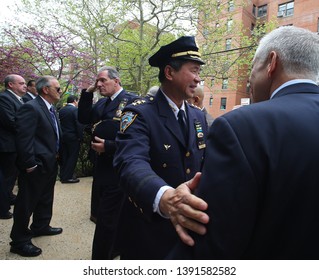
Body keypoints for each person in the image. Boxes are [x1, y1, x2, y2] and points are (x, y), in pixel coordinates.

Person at [167, 26, 319, 259]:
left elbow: (211, 249)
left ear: (272, 62)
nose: (249, 79)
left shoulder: (240, 126)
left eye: (253, 67)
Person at [113, 36, 208, 259]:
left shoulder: (197, 116)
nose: (198, 79)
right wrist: (165, 197)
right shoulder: (139, 113)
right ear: (169, 72)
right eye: (193, 71)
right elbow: (130, 162)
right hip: (149, 228)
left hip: (188, 225)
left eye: (199, 73)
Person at [78, 66, 138, 260]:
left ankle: (101, 259)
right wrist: (87, 94)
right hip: (101, 167)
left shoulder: (132, 101)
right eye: (97, 81)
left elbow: (137, 138)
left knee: (107, 219)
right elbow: (84, 118)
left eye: (103, 80)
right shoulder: (102, 103)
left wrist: (110, 146)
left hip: (118, 168)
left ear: (116, 81)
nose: (99, 84)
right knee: (106, 215)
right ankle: (115, 249)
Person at [10, 75, 63, 257]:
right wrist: (30, 164)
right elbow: (23, 139)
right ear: (45, 89)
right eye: (58, 88)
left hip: (50, 163)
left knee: (45, 198)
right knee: (26, 203)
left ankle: (41, 226)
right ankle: (19, 240)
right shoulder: (30, 108)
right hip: (36, 166)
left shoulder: (51, 109)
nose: (61, 91)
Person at [0, 74, 27, 219]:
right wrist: (29, 130)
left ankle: (8, 198)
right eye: (21, 83)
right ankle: (2, 209)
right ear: (11, 85)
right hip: (8, 146)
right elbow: (10, 121)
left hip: (15, 145)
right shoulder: (4, 98)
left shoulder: (19, 99)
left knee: (11, 177)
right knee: (6, 178)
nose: (25, 85)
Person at [58, 95, 84, 183]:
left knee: (65, 156)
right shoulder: (75, 110)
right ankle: (68, 177)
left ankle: (63, 175)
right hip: (73, 137)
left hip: (63, 136)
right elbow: (78, 124)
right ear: (75, 101)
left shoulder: (62, 110)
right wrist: (80, 136)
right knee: (72, 157)